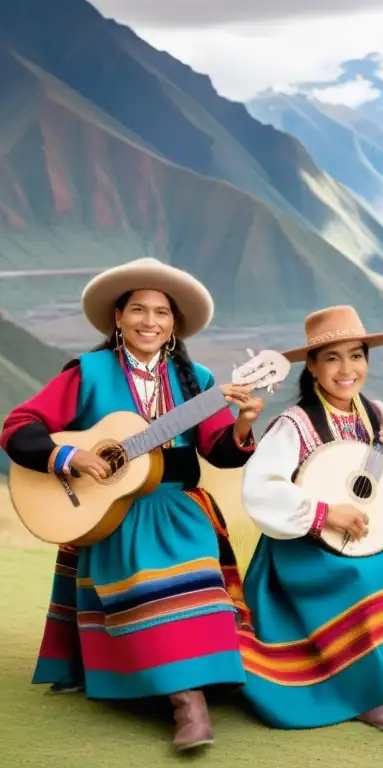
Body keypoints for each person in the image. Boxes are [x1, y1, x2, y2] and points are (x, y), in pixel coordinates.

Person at [0, 257, 261, 750]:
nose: (150, 321)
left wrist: (242, 422)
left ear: (174, 325)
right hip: (113, 515)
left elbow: (220, 452)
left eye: (161, 313)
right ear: (117, 318)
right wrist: (67, 455)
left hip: (180, 510)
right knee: (146, 586)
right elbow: (18, 427)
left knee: (199, 586)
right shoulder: (89, 372)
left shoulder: (197, 379)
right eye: (137, 310)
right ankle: (189, 705)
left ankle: (201, 679)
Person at [237, 305, 383, 732]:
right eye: (333, 358)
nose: (347, 368)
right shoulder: (294, 423)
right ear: (314, 368)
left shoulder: (377, 412)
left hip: (362, 535)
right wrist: (323, 513)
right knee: (358, 579)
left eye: (356, 355)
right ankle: (361, 690)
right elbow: (260, 487)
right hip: (305, 544)